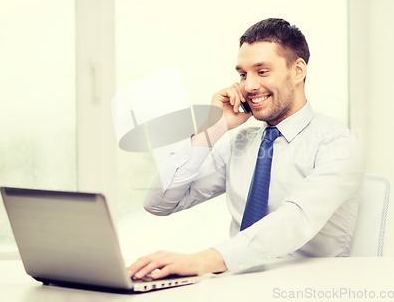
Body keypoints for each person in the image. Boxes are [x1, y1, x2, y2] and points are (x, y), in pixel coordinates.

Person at [128, 18, 365, 280]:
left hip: (310, 289)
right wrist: (213, 128)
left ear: (297, 71)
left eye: (262, 72)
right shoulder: (241, 144)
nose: (249, 86)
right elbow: (159, 203)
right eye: (243, 74)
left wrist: (203, 260)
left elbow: (295, 220)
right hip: (240, 283)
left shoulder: (337, 144)